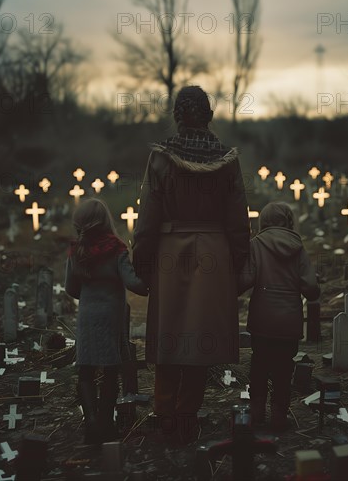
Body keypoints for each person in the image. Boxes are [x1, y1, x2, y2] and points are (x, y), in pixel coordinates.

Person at [133, 85, 249, 445]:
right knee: (200, 340)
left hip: (170, 252)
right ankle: (187, 416)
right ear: (209, 115)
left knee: (169, 336)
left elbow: (148, 217)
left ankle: (164, 414)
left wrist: (142, 263)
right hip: (214, 255)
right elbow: (238, 220)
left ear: (178, 117)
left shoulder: (161, 159)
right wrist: (239, 265)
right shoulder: (228, 161)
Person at [65, 198, 148, 444]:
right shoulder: (117, 248)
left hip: (88, 315)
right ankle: (106, 422)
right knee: (111, 371)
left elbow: (71, 287)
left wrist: (89, 297)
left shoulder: (76, 250)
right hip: (111, 316)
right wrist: (151, 284)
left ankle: (90, 422)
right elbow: (132, 282)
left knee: (86, 369)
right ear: (105, 220)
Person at [238, 201, 320, 431]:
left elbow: (244, 280)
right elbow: (311, 288)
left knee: (259, 367)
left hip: (262, 319)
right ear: (289, 221)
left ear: (262, 221)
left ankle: (256, 413)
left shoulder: (256, 245)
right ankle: (279, 416)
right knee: (284, 370)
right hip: (289, 321)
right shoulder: (298, 248)